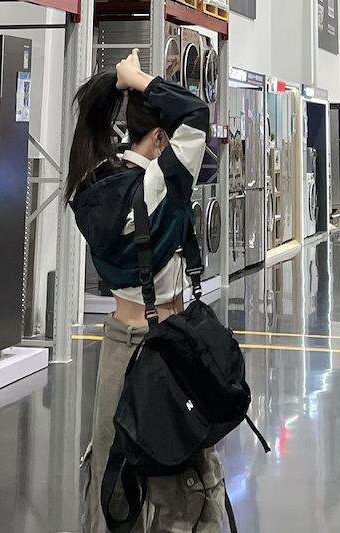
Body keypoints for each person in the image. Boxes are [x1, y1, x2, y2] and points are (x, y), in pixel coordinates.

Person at [67, 49, 225, 533]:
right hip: (164, 347)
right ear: (159, 137)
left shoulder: (89, 183)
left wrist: (127, 84)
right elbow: (196, 112)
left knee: (112, 469)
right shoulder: (160, 185)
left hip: (118, 342)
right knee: (181, 472)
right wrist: (138, 80)